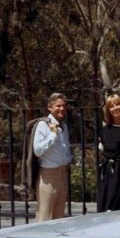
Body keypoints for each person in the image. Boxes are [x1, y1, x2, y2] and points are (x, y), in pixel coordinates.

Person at [33, 92, 72, 221]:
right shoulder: (43, 125)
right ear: (50, 107)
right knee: (44, 217)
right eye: (58, 106)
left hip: (62, 175)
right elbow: (37, 150)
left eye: (64, 106)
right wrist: (52, 136)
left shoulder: (64, 126)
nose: (62, 109)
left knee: (59, 218)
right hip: (48, 176)